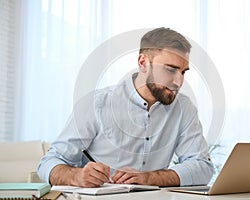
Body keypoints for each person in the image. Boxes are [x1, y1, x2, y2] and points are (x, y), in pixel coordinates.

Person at [38, 27, 214, 187]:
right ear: (143, 62)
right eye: (170, 70)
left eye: (183, 72)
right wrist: (76, 176)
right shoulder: (97, 103)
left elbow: (202, 167)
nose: (179, 81)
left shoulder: (183, 108)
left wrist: (149, 178)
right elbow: (49, 163)